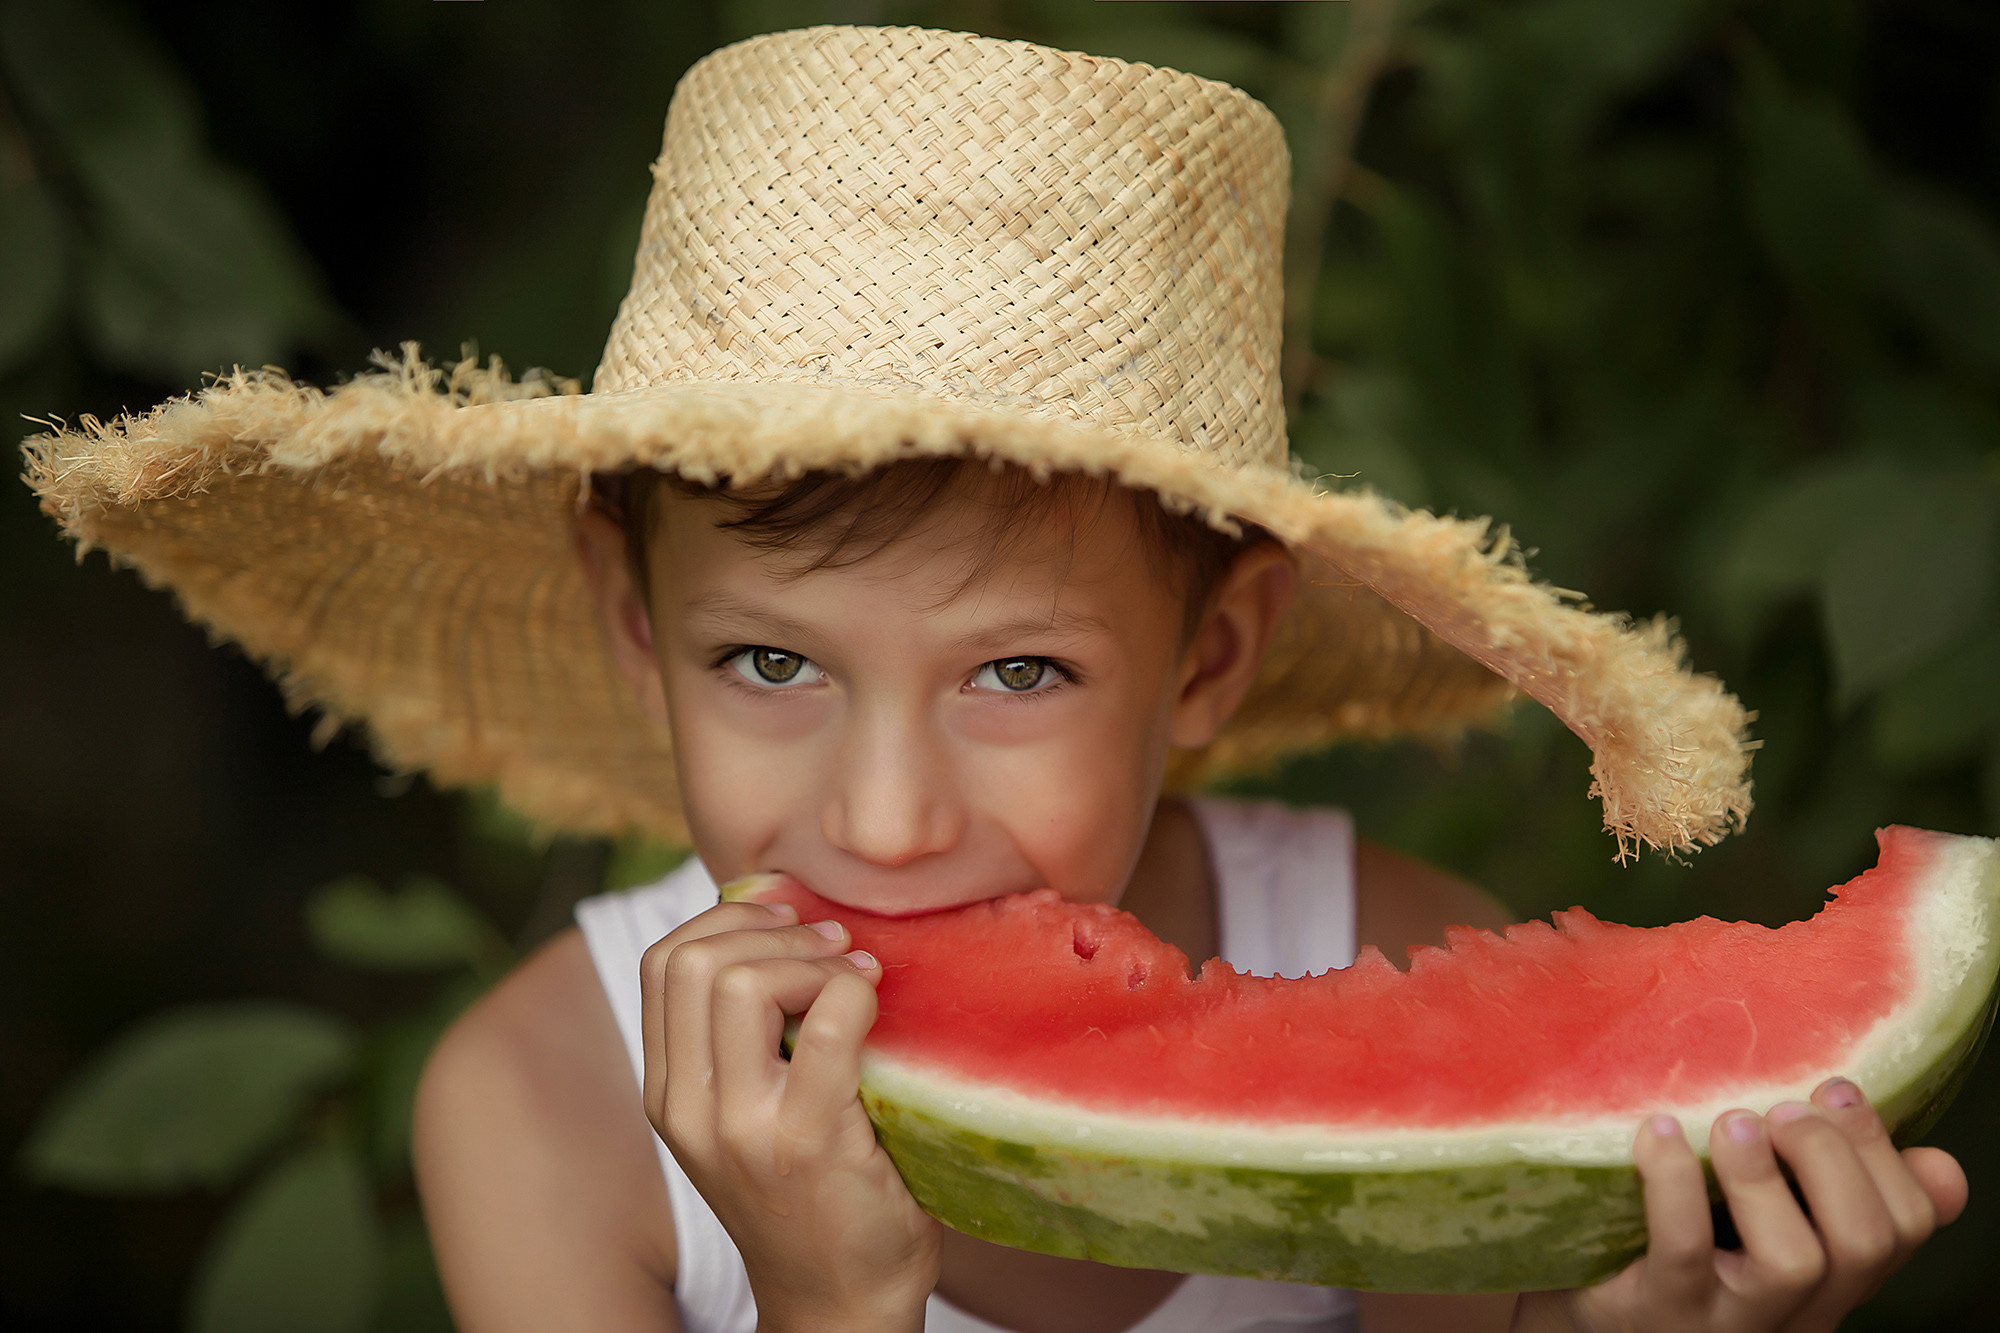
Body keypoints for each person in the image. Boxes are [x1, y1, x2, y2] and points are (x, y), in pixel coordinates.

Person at [24, 25, 1966, 1333]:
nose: (883, 818)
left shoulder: (1370, 939)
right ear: (637, 629)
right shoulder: (535, 1111)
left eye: (1017, 670)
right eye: (769, 659)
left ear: (1208, 659)